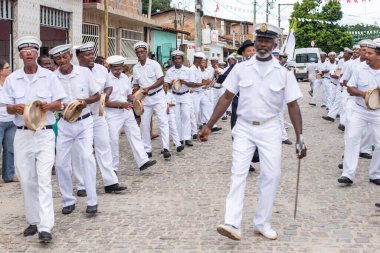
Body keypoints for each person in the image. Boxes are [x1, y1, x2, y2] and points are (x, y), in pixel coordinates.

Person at [198, 23, 307, 241]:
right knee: (238, 173)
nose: (263, 44)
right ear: (255, 43)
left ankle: (261, 222)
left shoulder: (284, 74)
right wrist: (209, 125)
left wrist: (299, 138)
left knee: (272, 175)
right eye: (260, 40)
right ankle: (232, 223)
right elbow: (226, 97)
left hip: (270, 129)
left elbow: (293, 106)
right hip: (245, 128)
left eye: (267, 41)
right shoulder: (240, 69)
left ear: (275, 44)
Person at [1, 36, 66, 242]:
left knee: (44, 179)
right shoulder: (12, 79)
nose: (28, 53)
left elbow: (60, 102)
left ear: (38, 54)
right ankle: (33, 220)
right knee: (27, 179)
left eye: (32, 50)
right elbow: (6, 106)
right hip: (22, 134)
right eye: (24, 50)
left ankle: (46, 226)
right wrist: (15, 108)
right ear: (20, 55)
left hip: (45, 133)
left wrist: (49, 105)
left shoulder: (49, 76)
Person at [49, 44, 99, 215]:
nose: (62, 61)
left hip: (84, 122)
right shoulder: (52, 77)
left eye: (64, 57)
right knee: (61, 163)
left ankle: (92, 201)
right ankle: (68, 200)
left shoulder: (84, 73)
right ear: (55, 60)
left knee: (87, 157)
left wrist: (85, 101)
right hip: (64, 123)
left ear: (70, 56)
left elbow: (97, 95)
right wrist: (59, 106)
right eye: (58, 58)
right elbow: (51, 102)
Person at [73, 42, 126, 196]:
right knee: (82, 152)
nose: (91, 57)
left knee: (104, 146)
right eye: (87, 55)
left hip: (98, 115)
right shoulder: (75, 73)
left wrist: (106, 94)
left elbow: (109, 86)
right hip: (80, 117)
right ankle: (81, 185)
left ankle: (110, 182)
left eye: (91, 54)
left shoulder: (101, 69)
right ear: (78, 57)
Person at [337, 40, 380, 185]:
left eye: (370, 53)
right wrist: (364, 95)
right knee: (352, 138)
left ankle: (375, 174)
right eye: (365, 52)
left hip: (378, 112)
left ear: (378, 56)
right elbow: (350, 88)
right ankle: (348, 174)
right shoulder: (359, 68)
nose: (365, 55)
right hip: (359, 109)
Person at [105, 55, 157, 172]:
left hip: (127, 111)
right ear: (110, 68)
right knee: (113, 140)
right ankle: (113, 168)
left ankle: (143, 161)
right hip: (113, 114)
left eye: (120, 69)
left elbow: (128, 94)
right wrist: (121, 104)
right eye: (115, 70)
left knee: (135, 134)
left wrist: (134, 98)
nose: (118, 72)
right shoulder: (105, 80)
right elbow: (105, 102)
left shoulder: (124, 77)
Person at [132, 41, 171, 159]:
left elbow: (161, 80)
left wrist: (148, 88)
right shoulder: (135, 68)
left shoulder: (154, 64)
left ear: (146, 52)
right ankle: (147, 149)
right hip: (145, 99)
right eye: (138, 52)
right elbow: (136, 84)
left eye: (142, 51)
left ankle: (166, 148)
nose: (140, 54)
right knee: (144, 124)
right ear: (136, 54)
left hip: (158, 96)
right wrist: (134, 93)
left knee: (163, 121)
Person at [164, 50, 196, 146]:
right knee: (176, 117)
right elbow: (167, 85)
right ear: (173, 60)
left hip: (185, 95)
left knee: (186, 115)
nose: (177, 60)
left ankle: (187, 138)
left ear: (182, 60)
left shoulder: (188, 70)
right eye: (175, 59)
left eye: (179, 59)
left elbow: (193, 83)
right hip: (174, 96)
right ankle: (179, 139)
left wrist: (184, 82)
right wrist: (171, 83)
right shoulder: (169, 71)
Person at [0, 59, 17, 183]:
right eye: (7, 67)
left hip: (11, 121)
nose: (9, 69)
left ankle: (9, 175)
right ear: (0, 71)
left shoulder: (11, 83)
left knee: (10, 149)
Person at [162, 82, 184, 151]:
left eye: (166, 87)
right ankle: (165, 148)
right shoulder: (159, 95)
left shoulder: (170, 95)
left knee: (174, 128)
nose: (165, 88)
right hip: (163, 113)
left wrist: (168, 105)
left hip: (170, 113)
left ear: (168, 88)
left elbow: (174, 103)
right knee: (165, 131)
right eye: (163, 86)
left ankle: (178, 145)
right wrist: (166, 105)